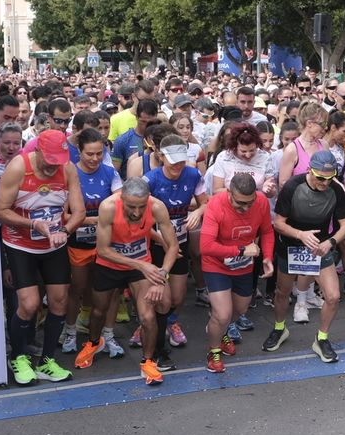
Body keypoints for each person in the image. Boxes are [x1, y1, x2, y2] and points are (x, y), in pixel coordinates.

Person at [0, 129, 83, 386]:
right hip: (21, 245)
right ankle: (18, 357)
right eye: (50, 159)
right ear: (38, 150)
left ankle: (46, 361)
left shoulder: (67, 169)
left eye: (59, 159)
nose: (54, 164)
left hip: (53, 245)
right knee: (29, 304)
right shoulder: (19, 166)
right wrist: (33, 225)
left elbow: (79, 211)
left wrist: (64, 231)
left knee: (59, 302)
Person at [82, 177, 177, 384]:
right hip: (110, 265)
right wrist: (141, 265)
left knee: (147, 316)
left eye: (141, 207)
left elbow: (173, 246)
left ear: (148, 199)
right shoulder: (108, 206)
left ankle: (148, 362)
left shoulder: (158, 207)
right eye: (131, 206)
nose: (136, 212)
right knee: (99, 310)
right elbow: (103, 250)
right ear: (121, 197)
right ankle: (93, 343)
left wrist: (161, 276)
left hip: (141, 265)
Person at [267, 151, 345, 362]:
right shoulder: (293, 186)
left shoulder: (336, 190)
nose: (324, 182)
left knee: (333, 296)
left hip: (319, 248)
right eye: (320, 177)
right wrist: (300, 235)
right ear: (309, 170)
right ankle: (279, 328)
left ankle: (322, 338)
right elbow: (279, 223)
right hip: (291, 245)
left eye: (329, 178)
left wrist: (330, 242)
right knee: (282, 292)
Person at [197, 173, 273, 373]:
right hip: (217, 265)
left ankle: (220, 330)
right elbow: (205, 246)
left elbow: (266, 231)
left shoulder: (262, 202)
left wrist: (267, 258)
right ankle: (213, 352)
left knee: (238, 311)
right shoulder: (216, 204)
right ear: (229, 193)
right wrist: (240, 250)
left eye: (250, 203)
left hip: (243, 266)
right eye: (240, 203)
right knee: (222, 314)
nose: (246, 208)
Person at [143, 136, 206, 360]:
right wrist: (165, 243)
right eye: (173, 163)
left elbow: (205, 202)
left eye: (181, 162)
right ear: (161, 157)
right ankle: (149, 329)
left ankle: (170, 322)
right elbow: (140, 224)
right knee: (163, 298)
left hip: (181, 241)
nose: (178, 167)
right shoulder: (150, 180)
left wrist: (198, 212)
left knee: (178, 298)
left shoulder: (193, 174)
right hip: (156, 244)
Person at [62, 128, 122, 356]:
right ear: (79, 152)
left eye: (99, 153)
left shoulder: (109, 173)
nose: (95, 159)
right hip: (79, 243)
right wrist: (96, 219)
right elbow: (65, 216)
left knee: (112, 291)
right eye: (89, 154)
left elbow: (121, 205)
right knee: (76, 288)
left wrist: (89, 218)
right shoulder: (70, 174)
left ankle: (108, 335)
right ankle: (69, 333)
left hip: (107, 243)